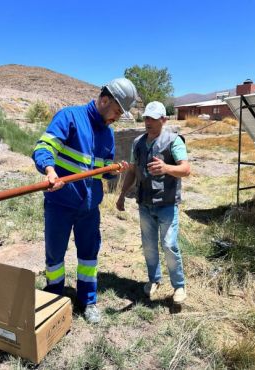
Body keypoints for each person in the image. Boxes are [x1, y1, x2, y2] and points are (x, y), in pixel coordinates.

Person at [32, 78, 138, 323]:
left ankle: (87, 300)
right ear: (104, 100)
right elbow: (43, 148)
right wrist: (49, 170)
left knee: (89, 256)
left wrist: (113, 170)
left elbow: (101, 171)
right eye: (117, 111)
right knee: (55, 254)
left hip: (89, 209)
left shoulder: (108, 135)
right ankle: (54, 295)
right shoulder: (69, 117)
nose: (117, 117)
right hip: (60, 204)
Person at [116, 101, 191, 304]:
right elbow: (132, 170)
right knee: (149, 246)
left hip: (167, 204)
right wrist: (122, 194)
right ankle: (154, 280)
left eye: (153, 119)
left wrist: (167, 168)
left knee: (169, 244)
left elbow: (186, 169)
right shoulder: (138, 143)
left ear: (163, 120)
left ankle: (179, 287)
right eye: (146, 118)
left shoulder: (174, 141)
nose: (148, 122)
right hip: (145, 204)